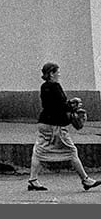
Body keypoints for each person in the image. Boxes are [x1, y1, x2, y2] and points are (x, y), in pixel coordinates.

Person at [26, 62, 101, 192]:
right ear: (51, 73)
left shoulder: (44, 87)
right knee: (71, 151)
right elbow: (60, 106)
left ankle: (33, 180)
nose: (59, 74)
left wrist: (68, 104)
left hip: (43, 123)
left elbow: (51, 105)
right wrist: (74, 104)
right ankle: (86, 180)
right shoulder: (55, 86)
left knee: (39, 151)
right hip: (56, 125)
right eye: (57, 72)